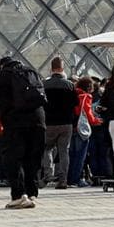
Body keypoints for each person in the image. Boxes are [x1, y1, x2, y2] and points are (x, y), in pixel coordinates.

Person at [0, 55, 46, 209]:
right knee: (33, 158)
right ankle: (32, 193)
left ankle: (18, 195)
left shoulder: (1, 76)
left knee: (13, 158)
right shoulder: (32, 72)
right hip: (38, 121)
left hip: (14, 122)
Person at [41, 57, 77, 189]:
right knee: (64, 151)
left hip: (49, 122)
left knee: (46, 149)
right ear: (62, 69)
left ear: (51, 69)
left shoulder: (44, 84)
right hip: (66, 123)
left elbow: (41, 103)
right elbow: (75, 103)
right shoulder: (70, 85)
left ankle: (47, 175)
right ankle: (63, 179)